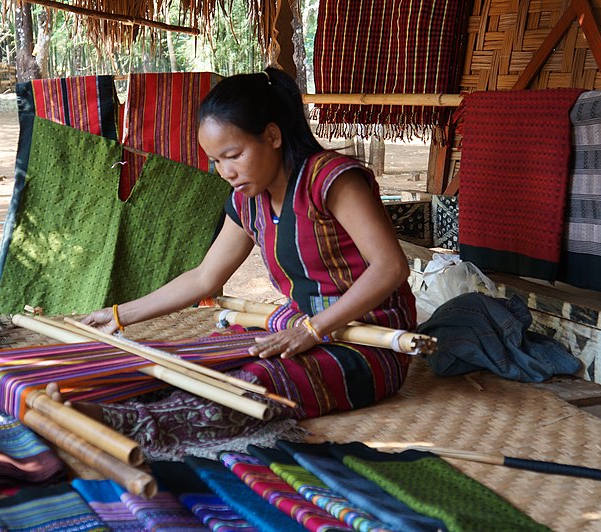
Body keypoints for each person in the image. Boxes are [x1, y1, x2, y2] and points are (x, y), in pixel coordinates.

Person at [65, 67, 416, 457]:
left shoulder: (330, 181)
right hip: (299, 333)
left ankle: (129, 426)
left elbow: (390, 267)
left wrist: (315, 331)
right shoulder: (249, 201)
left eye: (233, 156)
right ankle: (106, 406)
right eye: (216, 161)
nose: (226, 172)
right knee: (190, 362)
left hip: (369, 342)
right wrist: (118, 315)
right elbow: (203, 277)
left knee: (256, 381)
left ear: (272, 136)